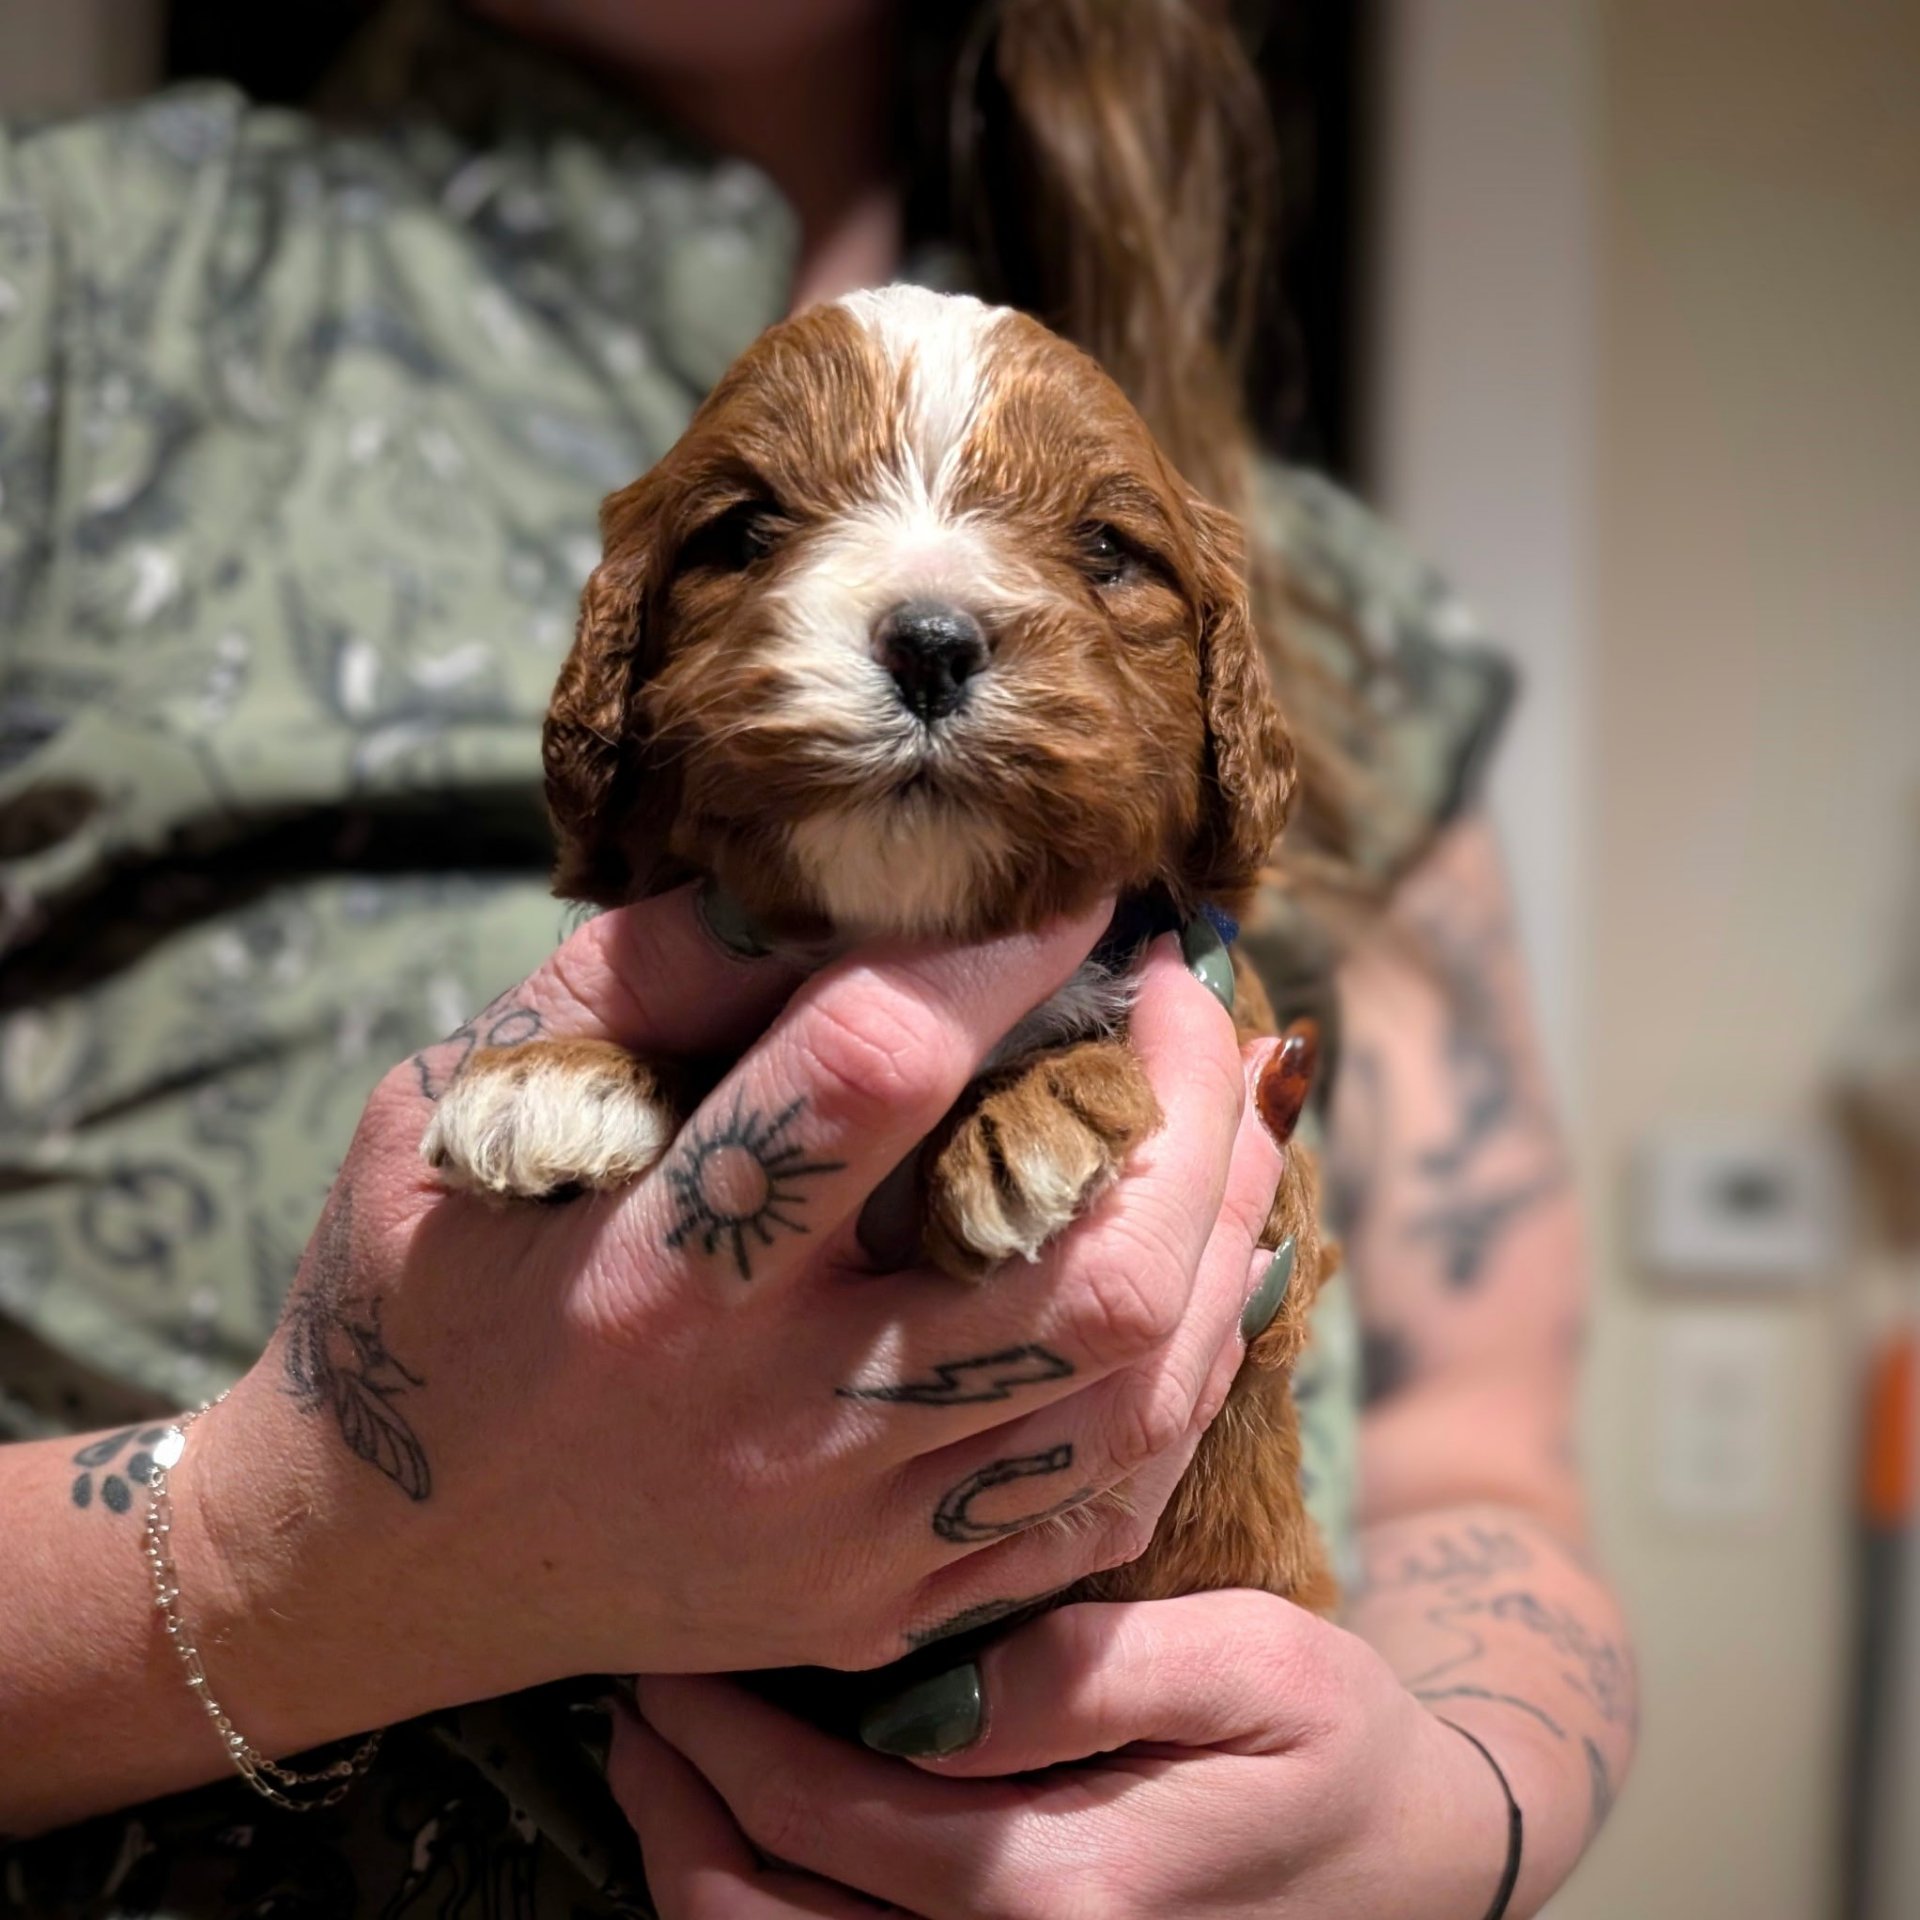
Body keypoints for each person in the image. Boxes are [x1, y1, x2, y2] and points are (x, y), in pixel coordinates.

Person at [0, 1, 1635, 1915]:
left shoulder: (1335, 600)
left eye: (1103, 559)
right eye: (753, 536)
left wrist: (1451, 1817)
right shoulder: (72, 313)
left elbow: (1478, 1446)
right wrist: (304, 1559)